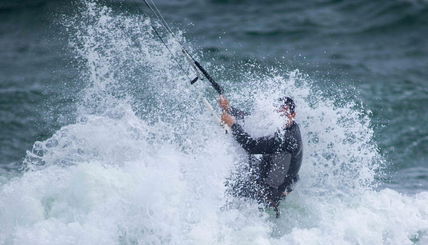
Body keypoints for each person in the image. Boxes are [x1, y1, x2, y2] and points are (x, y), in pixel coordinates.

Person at [219, 95, 303, 216]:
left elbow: (252, 146)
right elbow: (251, 119)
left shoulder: (288, 139)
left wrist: (233, 125)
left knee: (226, 188)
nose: (281, 117)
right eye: (278, 113)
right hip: (279, 176)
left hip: (271, 192)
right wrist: (230, 109)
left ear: (293, 115)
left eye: (285, 114)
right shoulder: (287, 126)